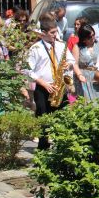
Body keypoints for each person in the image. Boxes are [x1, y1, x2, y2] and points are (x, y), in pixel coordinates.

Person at [25, 17, 75, 149]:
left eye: (56, 32)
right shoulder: (35, 48)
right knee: (43, 118)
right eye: (52, 32)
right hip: (43, 88)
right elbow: (27, 70)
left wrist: (68, 65)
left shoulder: (61, 45)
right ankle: (43, 147)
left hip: (59, 86)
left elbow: (72, 61)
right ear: (43, 32)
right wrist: (43, 83)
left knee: (63, 117)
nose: (55, 35)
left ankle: (62, 146)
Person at [72, 24, 99, 101]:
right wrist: (79, 75)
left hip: (96, 76)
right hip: (84, 76)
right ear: (83, 39)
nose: (92, 38)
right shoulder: (77, 47)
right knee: (86, 101)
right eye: (89, 37)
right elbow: (75, 64)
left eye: (93, 35)